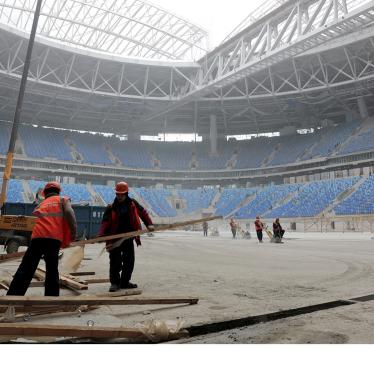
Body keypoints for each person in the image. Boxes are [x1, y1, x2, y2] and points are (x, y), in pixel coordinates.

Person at [7, 182, 77, 296]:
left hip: (37, 237)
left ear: (45, 193)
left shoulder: (42, 203)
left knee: (26, 268)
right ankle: (51, 298)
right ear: (58, 191)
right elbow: (69, 212)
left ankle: (13, 296)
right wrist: (73, 232)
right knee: (52, 269)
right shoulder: (63, 199)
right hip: (53, 238)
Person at [98, 181, 154, 292]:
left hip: (128, 237)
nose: (119, 196)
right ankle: (114, 283)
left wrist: (149, 224)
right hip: (114, 238)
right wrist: (101, 235)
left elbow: (143, 213)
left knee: (129, 261)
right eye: (117, 194)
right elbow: (105, 223)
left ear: (126, 193)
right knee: (115, 261)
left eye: (121, 194)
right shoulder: (111, 207)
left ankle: (124, 282)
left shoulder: (133, 203)